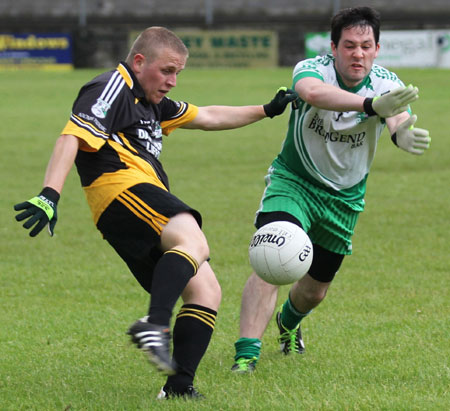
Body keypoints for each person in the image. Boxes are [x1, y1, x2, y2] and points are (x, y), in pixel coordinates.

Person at [13, 26, 297, 399]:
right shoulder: (112, 87)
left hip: (133, 203)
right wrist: (50, 194)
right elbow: (72, 135)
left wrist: (267, 110)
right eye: (167, 70)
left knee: (206, 290)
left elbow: (208, 116)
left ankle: (179, 388)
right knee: (191, 235)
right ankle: (155, 323)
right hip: (122, 189)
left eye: (178, 73)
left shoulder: (153, 105)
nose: (173, 81)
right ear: (139, 61)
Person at [231, 6, 431, 373]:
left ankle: (288, 323)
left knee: (314, 290)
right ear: (333, 47)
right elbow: (313, 94)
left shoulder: (386, 82)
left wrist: (402, 133)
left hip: (345, 196)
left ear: (377, 48)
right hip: (295, 181)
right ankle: (246, 355)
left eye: (366, 46)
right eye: (350, 45)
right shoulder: (312, 69)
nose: (358, 54)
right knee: (271, 256)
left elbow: (397, 117)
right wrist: (369, 105)